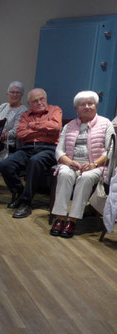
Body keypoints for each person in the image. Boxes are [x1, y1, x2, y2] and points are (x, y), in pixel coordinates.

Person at [50, 91, 114, 238]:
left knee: (85, 179)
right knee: (64, 174)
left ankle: (72, 220)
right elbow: (59, 149)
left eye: (90, 103)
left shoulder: (106, 124)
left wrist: (94, 164)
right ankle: (59, 218)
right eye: (82, 104)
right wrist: (68, 161)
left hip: (96, 166)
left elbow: (111, 150)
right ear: (76, 108)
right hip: (72, 163)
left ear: (96, 105)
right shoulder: (69, 126)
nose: (87, 106)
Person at [0, 88, 62, 219]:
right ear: (29, 103)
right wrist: (44, 129)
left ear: (46, 99)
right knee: (5, 164)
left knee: (36, 161)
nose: (39, 102)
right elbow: (21, 134)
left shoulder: (55, 110)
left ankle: (25, 203)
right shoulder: (25, 115)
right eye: (35, 101)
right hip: (27, 148)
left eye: (41, 99)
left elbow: (55, 128)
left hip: (49, 149)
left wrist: (33, 126)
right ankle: (20, 193)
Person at [0, 81, 28, 164]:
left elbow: (16, 132)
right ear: (7, 94)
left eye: (18, 93)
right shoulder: (3, 106)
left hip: (7, 145)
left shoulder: (23, 110)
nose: (15, 95)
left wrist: (2, 134)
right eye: (12, 92)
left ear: (21, 95)